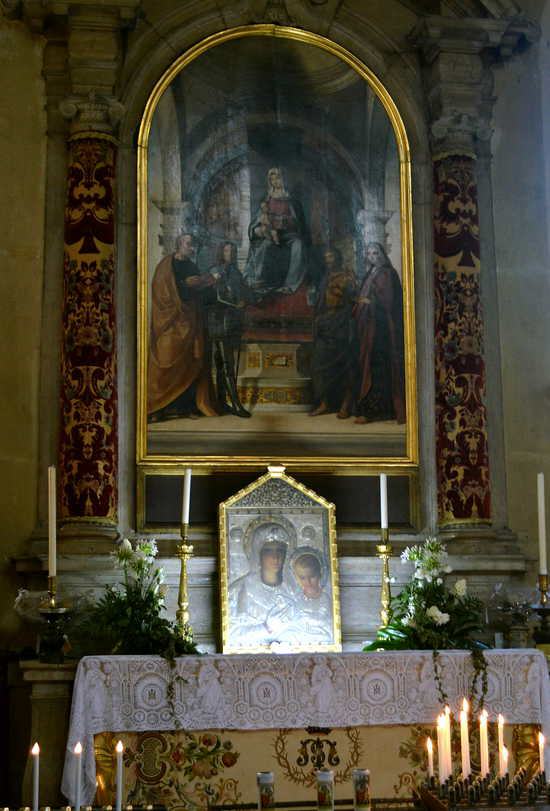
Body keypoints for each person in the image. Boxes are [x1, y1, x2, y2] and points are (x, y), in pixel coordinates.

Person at [147, 233, 220, 422]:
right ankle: (158, 407)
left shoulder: (192, 266)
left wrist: (207, 284)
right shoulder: (165, 266)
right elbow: (160, 292)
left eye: (192, 244)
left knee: (190, 365)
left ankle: (185, 407)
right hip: (170, 322)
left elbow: (201, 295)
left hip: (190, 322)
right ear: (179, 244)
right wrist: (183, 285)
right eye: (188, 244)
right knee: (165, 359)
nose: (191, 247)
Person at [353, 241, 406, 424]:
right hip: (368, 329)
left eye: (376, 253)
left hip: (381, 330)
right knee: (367, 366)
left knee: (378, 369)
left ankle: (376, 411)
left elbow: (389, 302)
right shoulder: (371, 273)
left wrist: (370, 303)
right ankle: (369, 409)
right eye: (369, 253)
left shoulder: (387, 273)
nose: (373, 256)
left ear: (382, 254)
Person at [227, 522, 294, 648]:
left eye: (280, 550)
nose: (276, 557)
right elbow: (231, 634)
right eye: (268, 551)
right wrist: (265, 628)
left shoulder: (292, 590)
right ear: (258, 553)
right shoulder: (239, 589)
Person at [243, 167, 309, 294]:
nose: (275, 182)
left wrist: (286, 221)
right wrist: (258, 228)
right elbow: (259, 218)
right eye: (272, 179)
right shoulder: (267, 199)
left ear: (283, 179)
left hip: (290, 235)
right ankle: (258, 279)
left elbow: (299, 222)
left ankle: (290, 284)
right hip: (272, 234)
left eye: (277, 178)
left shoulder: (291, 199)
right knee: (263, 247)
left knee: (298, 246)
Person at [309, 246, 357, 419]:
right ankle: (324, 403)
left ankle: (345, 404)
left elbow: (353, 299)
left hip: (340, 323)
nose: (328, 260)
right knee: (318, 365)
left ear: (338, 258)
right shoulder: (325, 277)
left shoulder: (346, 276)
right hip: (325, 322)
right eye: (326, 257)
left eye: (331, 257)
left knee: (343, 365)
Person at [206, 241, 251, 418]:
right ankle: (235, 403)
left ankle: (223, 402)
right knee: (226, 363)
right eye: (226, 250)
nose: (230, 253)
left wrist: (245, 299)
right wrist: (236, 303)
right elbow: (218, 294)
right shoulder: (214, 270)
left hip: (232, 320)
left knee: (223, 363)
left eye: (232, 251)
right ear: (220, 252)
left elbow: (242, 291)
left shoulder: (236, 272)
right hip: (218, 319)